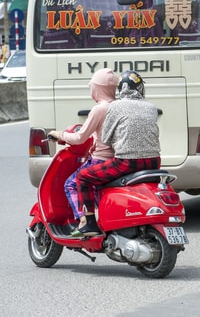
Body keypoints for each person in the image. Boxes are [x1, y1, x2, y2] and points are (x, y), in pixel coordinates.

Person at [72, 70, 161, 236]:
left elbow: (106, 138)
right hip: (155, 162)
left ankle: (88, 222)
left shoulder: (115, 106)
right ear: (140, 89)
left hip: (127, 161)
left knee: (83, 177)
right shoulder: (151, 107)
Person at [48, 68, 119, 223]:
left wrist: (59, 135)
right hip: (117, 160)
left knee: (71, 184)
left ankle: (84, 220)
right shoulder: (120, 106)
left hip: (101, 159)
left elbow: (80, 137)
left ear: (97, 88)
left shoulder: (100, 109)